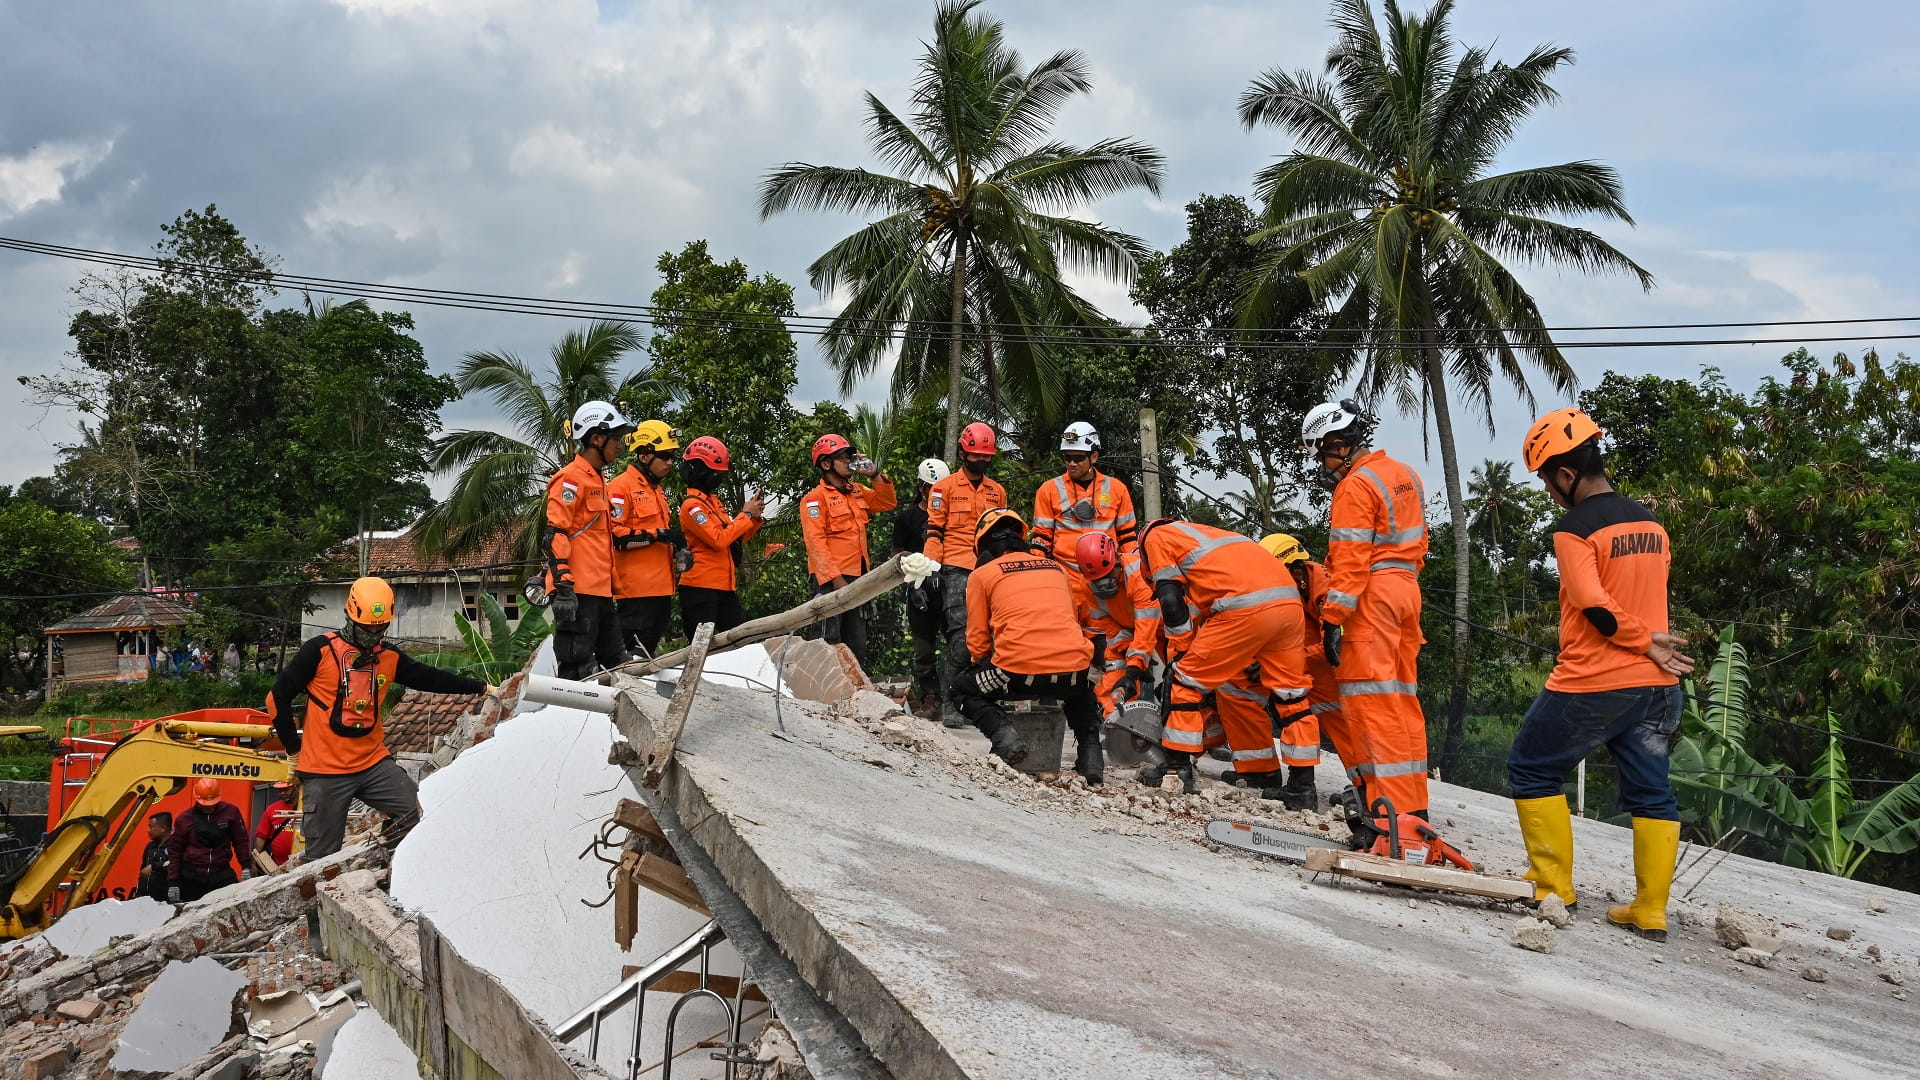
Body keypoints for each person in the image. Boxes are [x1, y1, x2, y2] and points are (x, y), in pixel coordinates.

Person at [1508, 408, 1694, 939]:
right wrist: (1653, 650)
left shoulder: (1574, 529)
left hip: (1594, 681)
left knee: (1531, 768)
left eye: (1547, 480)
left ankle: (1551, 886)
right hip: (1658, 688)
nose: (1548, 491)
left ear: (1565, 475)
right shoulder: (1651, 524)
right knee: (1652, 791)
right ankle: (1650, 910)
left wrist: (1640, 642)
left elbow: (1595, 604)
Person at [268, 577, 489, 860]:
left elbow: (428, 677)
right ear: (350, 615)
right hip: (324, 771)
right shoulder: (319, 651)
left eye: (380, 627)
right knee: (321, 858)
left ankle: (384, 862)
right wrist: (292, 750)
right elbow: (277, 699)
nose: (373, 634)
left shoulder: (387, 656)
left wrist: (478, 687)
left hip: (373, 763)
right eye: (367, 628)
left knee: (417, 812)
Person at [1301, 399, 1433, 818]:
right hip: (1406, 591)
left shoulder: (1356, 485)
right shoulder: (1403, 474)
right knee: (1402, 703)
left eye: (1322, 453)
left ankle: (1390, 815)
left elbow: (1351, 559)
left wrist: (1333, 619)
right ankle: (1413, 811)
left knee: (1373, 707)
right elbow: (1420, 543)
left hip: (1371, 600)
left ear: (1337, 444)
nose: (1324, 464)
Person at [1133, 518, 1310, 796]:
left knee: (1184, 683)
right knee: (1292, 697)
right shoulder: (1210, 540)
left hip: (1245, 606)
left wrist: (1179, 657)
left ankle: (1175, 771)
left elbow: (1170, 601)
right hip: (1289, 605)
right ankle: (1301, 788)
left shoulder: (1155, 538)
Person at [953, 509, 1104, 784]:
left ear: (983, 547)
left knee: (960, 689)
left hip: (1017, 672)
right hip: (1074, 669)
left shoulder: (982, 575)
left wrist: (988, 665)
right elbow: (1072, 619)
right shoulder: (1057, 568)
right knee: (1081, 692)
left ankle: (1005, 738)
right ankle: (1091, 758)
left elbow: (977, 640)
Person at [922, 423, 1007, 727]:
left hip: (990, 570)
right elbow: (934, 532)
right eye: (974, 455)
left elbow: (1002, 535)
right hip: (956, 568)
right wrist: (931, 567)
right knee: (962, 639)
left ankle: (981, 703)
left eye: (985, 457)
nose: (980, 461)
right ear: (962, 453)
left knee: (992, 637)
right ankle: (952, 704)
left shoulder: (997, 491)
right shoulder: (943, 489)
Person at [1258, 534, 1351, 812]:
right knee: (1339, 731)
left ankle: (1367, 791)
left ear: (1295, 570)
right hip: (1319, 674)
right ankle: (1363, 790)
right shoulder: (1301, 588)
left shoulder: (1324, 586)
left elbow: (1331, 645)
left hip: (1339, 673)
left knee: (1350, 734)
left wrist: (1288, 658)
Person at [546, 400, 636, 680]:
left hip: (600, 591)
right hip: (577, 591)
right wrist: (563, 587)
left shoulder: (599, 481)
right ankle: (567, 722)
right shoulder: (571, 479)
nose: (619, 445)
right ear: (596, 438)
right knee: (577, 667)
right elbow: (555, 533)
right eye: (616, 439)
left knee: (617, 664)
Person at [800, 433, 897, 666]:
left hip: (858, 579)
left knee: (855, 646)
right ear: (825, 464)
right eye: (842, 457)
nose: (849, 461)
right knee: (828, 645)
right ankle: (824, 700)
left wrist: (874, 474)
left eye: (849, 456)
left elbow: (887, 502)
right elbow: (816, 544)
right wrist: (837, 581)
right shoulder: (814, 499)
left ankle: (855, 698)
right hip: (830, 581)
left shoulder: (857, 491)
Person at [609, 419, 685, 657]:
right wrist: (657, 535)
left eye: (673, 457)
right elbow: (615, 536)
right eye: (665, 456)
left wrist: (679, 548)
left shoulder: (657, 491)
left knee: (646, 655)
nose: (670, 463)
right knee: (628, 657)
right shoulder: (621, 487)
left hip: (661, 590)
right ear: (644, 456)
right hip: (635, 592)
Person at [678, 436, 765, 634]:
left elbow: (733, 540)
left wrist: (754, 518)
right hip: (700, 589)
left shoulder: (713, 503)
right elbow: (718, 539)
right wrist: (746, 514)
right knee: (702, 650)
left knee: (738, 643)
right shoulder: (692, 506)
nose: (718, 477)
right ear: (701, 471)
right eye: (715, 473)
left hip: (724, 587)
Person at [1071, 533, 1163, 719]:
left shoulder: (1138, 576)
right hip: (1127, 632)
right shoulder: (1086, 585)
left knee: (1181, 676)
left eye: (1107, 576)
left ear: (1117, 559)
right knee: (1115, 670)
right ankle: (1115, 727)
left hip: (1165, 627)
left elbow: (1147, 628)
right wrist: (1126, 649)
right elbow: (1103, 622)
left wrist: (1134, 667)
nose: (1104, 585)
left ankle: (1207, 734)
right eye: (1097, 580)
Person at [1031, 423, 1137, 577]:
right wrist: (1036, 574)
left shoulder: (1117, 489)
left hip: (1108, 578)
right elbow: (1041, 538)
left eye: (1078, 458)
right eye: (1068, 457)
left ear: (1093, 457)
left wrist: (1135, 573)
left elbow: (1128, 537)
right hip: (1066, 578)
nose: (1072, 463)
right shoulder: (1048, 490)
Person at [892, 459, 950, 717]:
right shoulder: (907, 518)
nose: (937, 492)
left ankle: (959, 700)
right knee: (924, 649)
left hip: (949, 587)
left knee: (959, 645)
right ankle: (931, 698)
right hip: (919, 590)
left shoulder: (953, 517)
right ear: (921, 488)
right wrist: (912, 586)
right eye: (932, 488)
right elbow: (899, 556)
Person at [166, 779, 249, 903]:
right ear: (197, 799)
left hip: (221, 874)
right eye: (205, 805)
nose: (208, 808)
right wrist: (173, 882)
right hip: (192, 878)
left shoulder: (231, 812)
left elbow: (240, 840)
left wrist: (246, 866)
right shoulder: (184, 819)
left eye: (212, 805)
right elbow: (175, 852)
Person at [252, 780, 298, 868]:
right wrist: (254, 863)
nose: (282, 793)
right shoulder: (272, 809)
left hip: (302, 865)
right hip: (277, 866)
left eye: (286, 789)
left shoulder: (305, 808)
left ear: (295, 787)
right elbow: (261, 837)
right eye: (280, 790)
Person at [136, 811, 171, 900]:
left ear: (162, 828)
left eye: (151, 827)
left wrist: (154, 866)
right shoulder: (150, 846)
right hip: (146, 901)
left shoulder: (176, 846)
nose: (148, 830)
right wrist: (139, 895)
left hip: (166, 902)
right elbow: (143, 872)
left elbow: (176, 864)